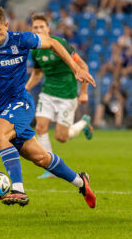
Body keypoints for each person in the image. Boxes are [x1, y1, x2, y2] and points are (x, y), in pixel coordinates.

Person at [0, 6, 97, 208]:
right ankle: (80, 182)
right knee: (40, 158)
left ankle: (18, 190)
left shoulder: (21, 39)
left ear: (6, 25)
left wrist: (75, 68)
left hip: (20, 102)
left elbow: (52, 43)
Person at [25, 14, 93, 179]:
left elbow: (82, 65)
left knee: (61, 137)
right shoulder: (35, 51)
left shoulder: (60, 44)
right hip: (48, 93)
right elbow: (37, 74)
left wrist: (83, 92)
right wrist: (24, 89)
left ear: (48, 29)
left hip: (67, 95)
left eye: (42, 27)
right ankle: (50, 167)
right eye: (36, 28)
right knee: (40, 127)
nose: (39, 30)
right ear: (31, 30)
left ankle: (84, 122)